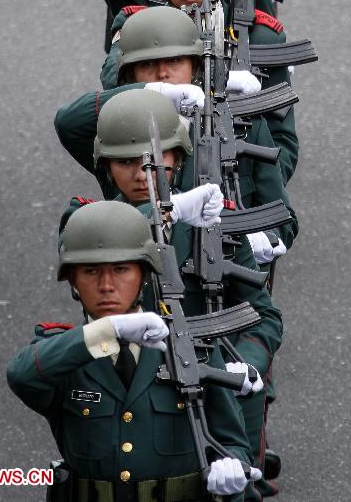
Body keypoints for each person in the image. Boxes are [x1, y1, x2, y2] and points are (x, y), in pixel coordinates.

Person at [58, 91, 282, 500]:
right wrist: (168, 210)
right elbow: (69, 123)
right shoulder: (83, 219)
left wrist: (244, 366)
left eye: (154, 160)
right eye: (126, 161)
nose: (142, 173)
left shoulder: (211, 222)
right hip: (130, 381)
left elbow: (261, 315)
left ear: (177, 158)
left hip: (214, 378)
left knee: (234, 486)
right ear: (105, 166)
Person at [8, 200, 256, 500]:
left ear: (145, 275)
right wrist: (106, 332)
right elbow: (21, 376)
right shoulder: (66, 355)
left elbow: (232, 439)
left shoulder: (192, 347)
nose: (107, 285)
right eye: (90, 271)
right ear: (73, 280)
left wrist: (231, 471)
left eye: (121, 269)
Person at [55, 5, 296, 259]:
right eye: (148, 64)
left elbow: (282, 219)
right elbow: (67, 122)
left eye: (175, 61)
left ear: (195, 67)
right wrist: (153, 92)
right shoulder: (121, 128)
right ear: (131, 76)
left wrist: (261, 240)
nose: (163, 73)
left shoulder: (244, 128)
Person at [97, 0, 298, 185]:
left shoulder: (261, 37)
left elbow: (282, 140)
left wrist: (260, 199)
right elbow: (111, 79)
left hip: (235, 178)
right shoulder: (138, 26)